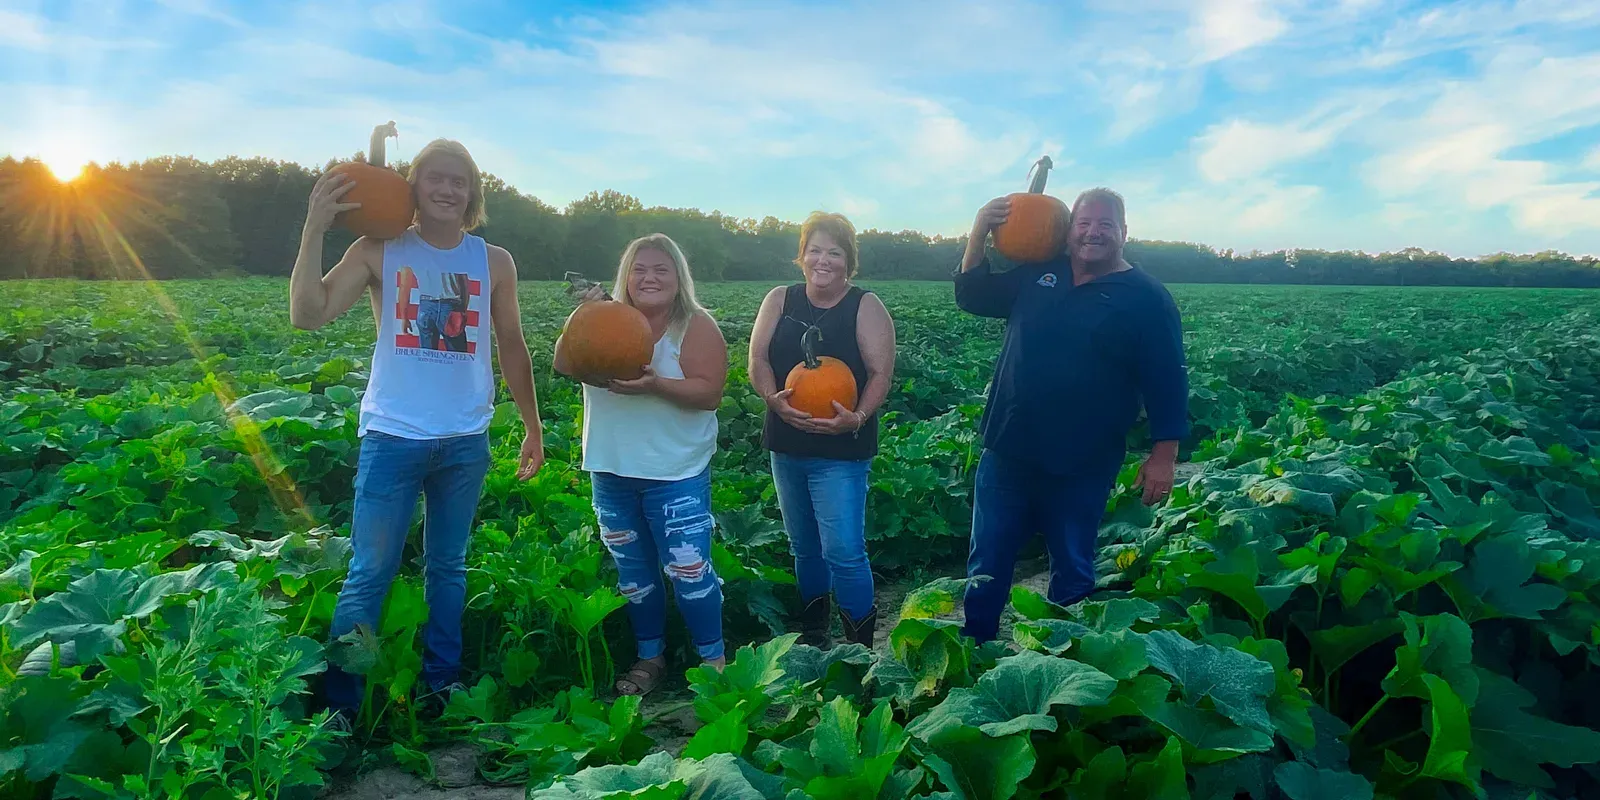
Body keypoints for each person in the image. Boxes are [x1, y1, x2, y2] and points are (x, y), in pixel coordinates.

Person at [289, 138, 545, 727]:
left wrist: (531, 425)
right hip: (393, 436)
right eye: (436, 177)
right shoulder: (379, 248)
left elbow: (512, 345)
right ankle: (340, 709)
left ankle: (440, 688)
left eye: (460, 181)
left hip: (464, 440)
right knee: (369, 571)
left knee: (448, 567)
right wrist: (313, 229)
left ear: (472, 194)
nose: (448, 189)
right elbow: (308, 313)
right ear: (415, 185)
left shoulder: (493, 260)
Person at [952, 187, 1188, 644]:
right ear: (1069, 230)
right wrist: (980, 229)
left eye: (1105, 224)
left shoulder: (1146, 298)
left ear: (1123, 232)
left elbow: (1167, 378)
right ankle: (974, 649)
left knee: (1074, 564)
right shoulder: (1040, 274)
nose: (1092, 232)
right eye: (1084, 223)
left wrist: (1164, 455)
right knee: (987, 561)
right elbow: (974, 295)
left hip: (1084, 458)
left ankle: (1065, 659)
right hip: (1009, 446)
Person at [554, 233, 730, 696]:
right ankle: (651, 656)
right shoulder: (601, 319)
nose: (649, 278)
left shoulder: (695, 326)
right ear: (625, 276)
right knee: (634, 578)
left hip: (675, 474)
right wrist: (583, 316)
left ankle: (714, 660)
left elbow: (709, 393)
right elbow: (564, 364)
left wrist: (657, 386)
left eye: (661, 269)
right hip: (611, 471)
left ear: (678, 278)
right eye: (639, 269)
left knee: (690, 572)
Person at [748, 211, 896, 649]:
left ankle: (858, 650)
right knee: (804, 548)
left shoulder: (864, 305)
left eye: (834, 252)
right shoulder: (780, 299)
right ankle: (815, 635)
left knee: (844, 551)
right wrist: (772, 398)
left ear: (849, 261)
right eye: (815, 250)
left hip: (841, 449)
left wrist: (858, 417)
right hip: (787, 442)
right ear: (801, 256)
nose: (823, 260)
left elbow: (880, 374)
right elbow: (757, 360)